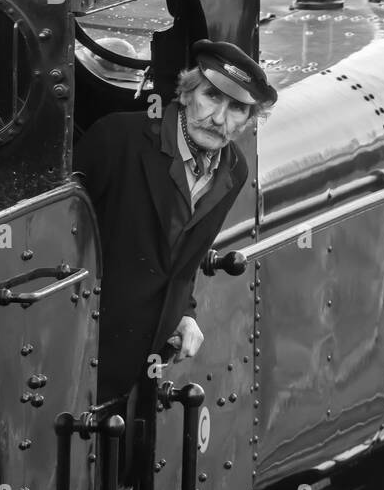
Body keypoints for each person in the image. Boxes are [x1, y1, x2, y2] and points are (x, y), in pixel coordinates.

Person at [73, 39, 277, 402]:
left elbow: (183, 260)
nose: (219, 119)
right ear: (186, 92)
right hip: (80, 352)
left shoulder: (233, 171)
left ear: (249, 121)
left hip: (145, 362)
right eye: (212, 97)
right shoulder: (117, 139)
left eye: (237, 109)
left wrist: (184, 312)